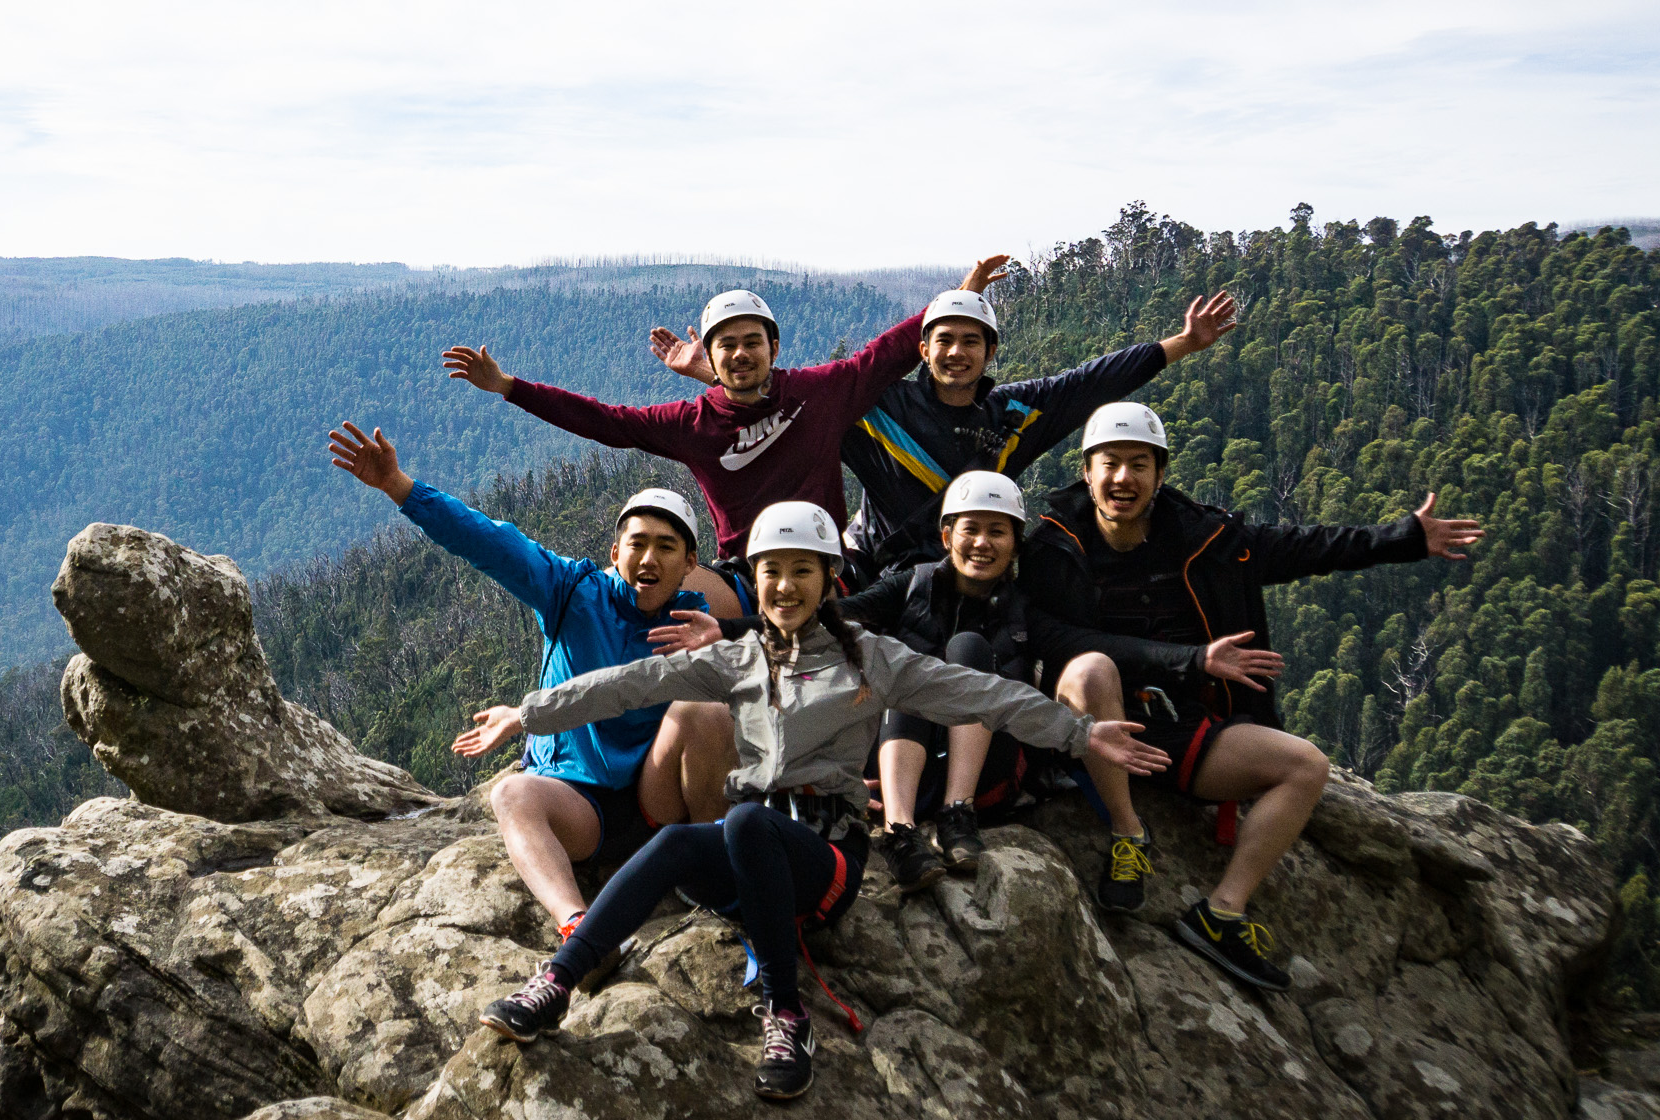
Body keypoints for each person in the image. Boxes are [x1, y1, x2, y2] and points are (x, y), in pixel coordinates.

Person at [456, 500, 1170, 1102]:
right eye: (772, 572)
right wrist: (530, 713)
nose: (786, 586)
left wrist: (1078, 732)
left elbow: (978, 692)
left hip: (825, 862)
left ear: (830, 579)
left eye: (803, 571)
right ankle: (557, 980)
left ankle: (786, 1011)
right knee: (677, 845)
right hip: (751, 854)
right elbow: (627, 684)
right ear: (756, 582)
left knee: (743, 823)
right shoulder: (740, 659)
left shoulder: (871, 657)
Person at [1023, 402, 1487, 992]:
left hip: (1183, 726)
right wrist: (1191, 658)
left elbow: (1305, 548)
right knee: (1089, 670)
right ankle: (1127, 833)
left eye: (1139, 464)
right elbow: (1051, 636)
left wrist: (1404, 538)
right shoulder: (1051, 544)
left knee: (1305, 766)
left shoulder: (1208, 539)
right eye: (1109, 463)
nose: (1123, 478)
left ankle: (1222, 912)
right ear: (1085, 472)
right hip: (1094, 727)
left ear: (1160, 475)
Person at [327, 421, 737, 941]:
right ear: (616, 553)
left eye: (666, 546)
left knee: (708, 711)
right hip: (578, 800)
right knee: (513, 794)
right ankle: (578, 926)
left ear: (690, 563)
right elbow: (490, 542)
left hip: (657, 801)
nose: (649, 559)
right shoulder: (571, 592)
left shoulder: (697, 626)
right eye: (637, 544)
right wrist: (399, 488)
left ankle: (717, 867)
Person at [440, 255, 1012, 617]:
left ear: (774, 348)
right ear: (710, 357)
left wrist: (954, 300)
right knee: (649, 587)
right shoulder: (691, 425)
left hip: (825, 566)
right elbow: (606, 422)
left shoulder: (819, 393)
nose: (741, 354)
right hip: (742, 572)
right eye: (727, 345)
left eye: (752, 342)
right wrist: (511, 387)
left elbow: (884, 356)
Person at [653, 287, 1240, 582]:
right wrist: (716, 375)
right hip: (885, 575)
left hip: (978, 571)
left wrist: (1182, 344)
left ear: (989, 353)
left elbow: (1089, 383)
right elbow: (792, 404)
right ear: (923, 349)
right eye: (945, 340)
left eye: (972, 342)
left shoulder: (1015, 416)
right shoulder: (875, 411)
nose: (957, 353)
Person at [838, 470, 1139, 891]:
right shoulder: (911, 587)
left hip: (985, 781)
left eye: (997, 531)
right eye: (970, 530)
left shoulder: (1024, 614)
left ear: (1015, 545)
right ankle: (899, 830)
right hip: (899, 769)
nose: (982, 543)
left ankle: (956, 813)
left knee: (968, 648)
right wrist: (732, 630)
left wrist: (1198, 658)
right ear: (947, 537)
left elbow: (1100, 644)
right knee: (907, 664)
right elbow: (830, 620)